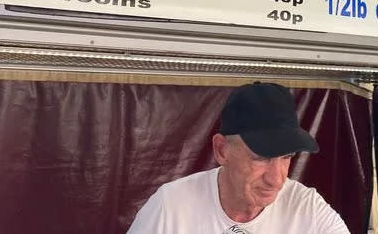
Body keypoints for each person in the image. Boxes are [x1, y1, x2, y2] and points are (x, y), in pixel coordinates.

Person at [127, 82, 351, 234]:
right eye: (262, 157)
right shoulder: (171, 207)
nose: (276, 180)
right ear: (222, 150)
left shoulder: (307, 208)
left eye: (286, 156)